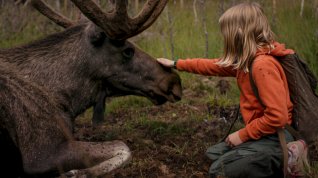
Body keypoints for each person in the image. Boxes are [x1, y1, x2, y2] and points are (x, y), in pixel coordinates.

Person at [157, 2, 295, 178]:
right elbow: (212, 65)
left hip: (276, 138)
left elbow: (278, 117)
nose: (224, 38)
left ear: (238, 34)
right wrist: (176, 63)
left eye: (226, 33)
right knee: (212, 155)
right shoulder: (246, 62)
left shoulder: (262, 66)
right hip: (262, 134)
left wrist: (242, 135)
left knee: (219, 171)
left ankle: (282, 161)